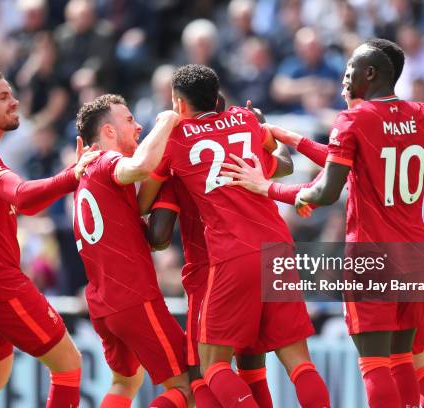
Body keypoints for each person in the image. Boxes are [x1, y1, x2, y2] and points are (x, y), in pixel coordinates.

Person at [220, 39, 424, 408]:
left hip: (371, 255)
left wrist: (269, 188)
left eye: (349, 70)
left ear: (370, 73)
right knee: (412, 362)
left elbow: (327, 192)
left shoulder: (354, 119)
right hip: (415, 254)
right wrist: (287, 136)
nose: (343, 78)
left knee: (375, 364)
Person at [138, 64, 330, 408]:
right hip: (278, 246)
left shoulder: (176, 141)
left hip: (227, 258)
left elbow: (147, 210)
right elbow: (281, 163)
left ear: (178, 105)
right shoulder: (245, 119)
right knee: (299, 363)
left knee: (210, 369)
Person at [0, 69, 99, 408]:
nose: (14, 102)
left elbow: (22, 206)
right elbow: (24, 197)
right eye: (2, 97)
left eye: (12, 94)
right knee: (68, 365)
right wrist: (74, 174)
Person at [146, 97, 293, 408]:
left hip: (210, 275)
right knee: (254, 371)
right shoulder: (244, 152)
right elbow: (284, 165)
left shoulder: (178, 165)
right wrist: (264, 132)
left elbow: (158, 235)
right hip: (258, 259)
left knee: (203, 375)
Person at [72, 94, 190, 408]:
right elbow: (142, 165)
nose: (138, 126)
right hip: (133, 299)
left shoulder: (86, 176)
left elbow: (146, 235)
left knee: (126, 382)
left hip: (103, 305)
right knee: (189, 387)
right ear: (108, 132)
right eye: (128, 120)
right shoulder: (104, 162)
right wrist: (166, 121)